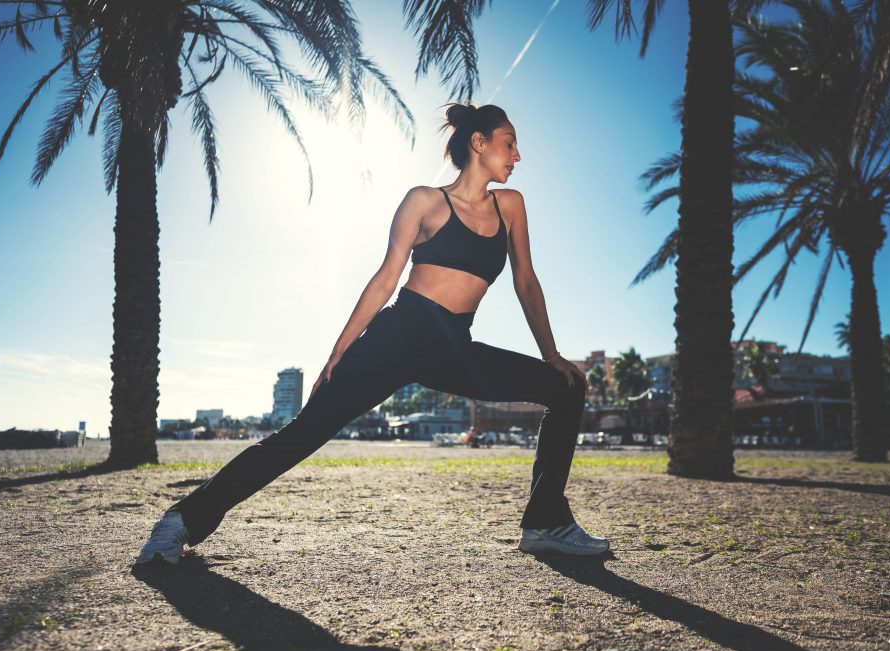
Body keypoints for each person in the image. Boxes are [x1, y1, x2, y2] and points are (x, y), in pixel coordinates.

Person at [136, 103, 610, 565]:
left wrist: (552, 355)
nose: (517, 156)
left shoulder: (510, 206)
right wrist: (337, 354)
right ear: (479, 143)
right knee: (304, 433)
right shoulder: (425, 200)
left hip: (454, 347)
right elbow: (386, 278)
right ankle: (181, 521)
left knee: (566, 387)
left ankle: (545, 523)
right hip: (398, 334)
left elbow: (525, 279)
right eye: (510, 144)